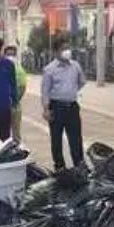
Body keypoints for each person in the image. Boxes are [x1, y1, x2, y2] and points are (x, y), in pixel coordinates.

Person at [41, 38, 86, 171]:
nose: (67, 52)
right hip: (56, 107)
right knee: (56, 138)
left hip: (72, 106)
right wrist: (46, 109)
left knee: (76, 138)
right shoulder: (49, 69)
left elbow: (82, 81)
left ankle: (79, 165)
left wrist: (70, 91)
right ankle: (60, 167)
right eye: (63, 49)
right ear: (56, 52)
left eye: (68, 48)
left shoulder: (76, 66)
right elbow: (45, 91)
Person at [4, 44, 27, 143]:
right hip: (1, 105)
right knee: (4, 133)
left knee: (16, 133)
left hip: (15, 106)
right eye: (8, 54)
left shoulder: (19, 70)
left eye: (12, 55)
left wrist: (15, 99)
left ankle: (17, 152)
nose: (10, 57)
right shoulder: (1, 68)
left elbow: (23, 87)